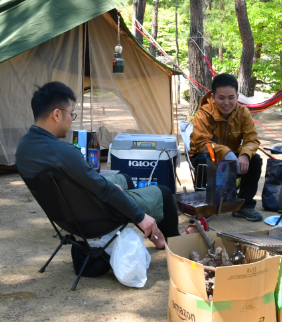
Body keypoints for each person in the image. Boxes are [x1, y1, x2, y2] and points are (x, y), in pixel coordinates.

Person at [15, 81, 180, 247]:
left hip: (67, 218)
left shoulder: (23, 149)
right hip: (93, 219)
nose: (72, 120)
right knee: (164, 193)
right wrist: (140, 217)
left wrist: (110, 189)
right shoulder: (62, 151)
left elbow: (90, 183)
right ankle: (175, 245)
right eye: (71, 115)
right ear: (57, 114)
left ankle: (154, 235)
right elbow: (103, 190)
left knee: (124, 179)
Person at [189, 73, 264, 221]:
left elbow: (251, 139)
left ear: (237, 96)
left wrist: (245, 154)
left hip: (233, 159)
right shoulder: (204, 114)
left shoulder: (243, 112)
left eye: (231, 97)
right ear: (213, 96)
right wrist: (225, 152)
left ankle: (244, 206)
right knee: (204, 159)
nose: (226, 103)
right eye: (221, 98)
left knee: (255, 159)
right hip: (208, 156)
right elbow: (200, 142)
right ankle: (206, 206)